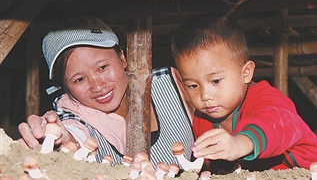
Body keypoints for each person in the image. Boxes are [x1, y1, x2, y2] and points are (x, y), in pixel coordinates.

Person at [171, 16, 317, 173]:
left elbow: (275, 123)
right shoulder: (201, 121)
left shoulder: (266, 99)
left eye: (215, 81)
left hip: (310, 176)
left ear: (245, 73)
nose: (205, 95)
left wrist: (241, 143)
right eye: (193, 85)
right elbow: (211, 166)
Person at [17, 16, 195, 166]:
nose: (97, 86)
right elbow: (72, 134)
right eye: (79, 79)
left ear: (123, 58)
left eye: (102, 67)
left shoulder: (172, 84)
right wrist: (56, 138)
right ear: (65, 87)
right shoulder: (73, 114)